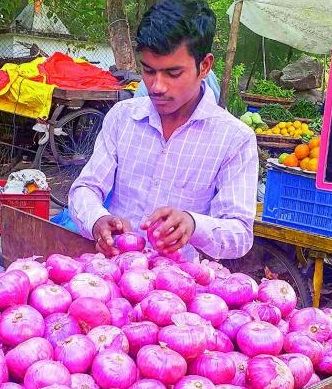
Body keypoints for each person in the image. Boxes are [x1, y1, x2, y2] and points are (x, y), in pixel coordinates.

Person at [68, 0, 258, 262]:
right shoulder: (122, 118)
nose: (157, 86)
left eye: (173, 73)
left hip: (177, 290)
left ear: (204, 66)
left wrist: (193, 224)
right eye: (148, 70)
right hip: (112, 276)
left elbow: (240, 234)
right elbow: (85, 188)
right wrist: (98, 219)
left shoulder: (234, 139)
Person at [135, 70, 221, 104]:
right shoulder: (131, 109)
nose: (157, 88)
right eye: (149, 71)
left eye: (174, 74)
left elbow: (218, 106)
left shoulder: (206, 75)